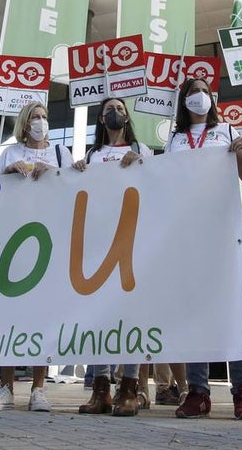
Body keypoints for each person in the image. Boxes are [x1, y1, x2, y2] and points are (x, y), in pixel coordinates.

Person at [164, 78, 242, 420]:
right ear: (183, 101)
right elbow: (163, 183)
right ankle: (198, 391)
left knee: (233, 306)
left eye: (204, 91)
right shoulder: (174, 139)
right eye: (192, 93)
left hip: (224, 225)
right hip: (188, 228)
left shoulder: (227, 131)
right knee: (194, 308)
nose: (199, 97)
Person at [0, 102, 75, 412]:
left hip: (48, 238)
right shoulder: (10, 152)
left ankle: (38, 388)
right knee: (7, 311)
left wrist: (55, 173)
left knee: (42, 312)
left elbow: (74, 188)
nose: (41, 121)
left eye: (45, 116)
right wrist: (7, 171)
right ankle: (5, 387)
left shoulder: (61, 153)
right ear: (25, 122)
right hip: (12, 238)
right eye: (35, 117)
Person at [75, 97, 152, 417]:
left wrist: (143, 164)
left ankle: (129, 388)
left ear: (127, 117)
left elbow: (157, 185)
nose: (115, 113)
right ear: (101, 118)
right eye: (109, 109)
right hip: (97, 239)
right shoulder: (93, 154)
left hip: (131, 236)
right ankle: (101, 388)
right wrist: (78, 170)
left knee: (130, 312)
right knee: (98, 313)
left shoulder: (141, 149)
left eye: (120, 108)